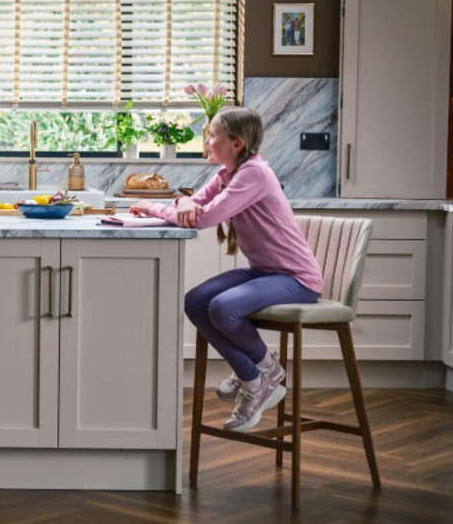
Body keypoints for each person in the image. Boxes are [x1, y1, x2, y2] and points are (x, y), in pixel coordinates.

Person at [130, 107, 323, 433]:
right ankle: (259, 374)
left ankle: (259, 375)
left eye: (213, 135)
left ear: (236, 143)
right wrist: (183, 202)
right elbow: (196, 204)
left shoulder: (253, 174)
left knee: (222, 307)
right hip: (264, 270)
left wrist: (154, 207)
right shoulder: (227, 173)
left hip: (296, 279)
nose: (207, 141)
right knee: (196, 301)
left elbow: (204, 217)